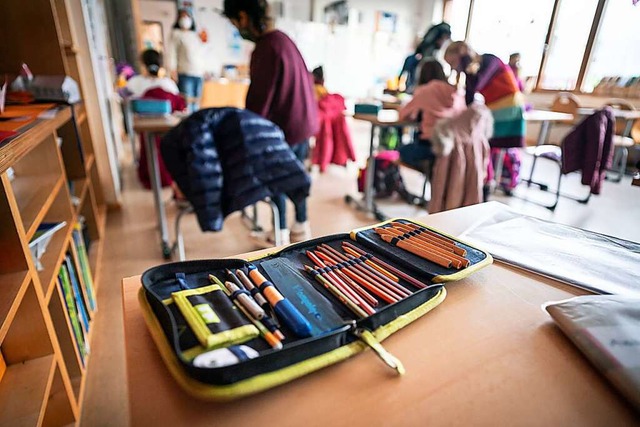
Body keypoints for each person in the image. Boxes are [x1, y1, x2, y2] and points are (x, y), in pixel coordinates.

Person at [222, 0, 319, 247]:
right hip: (302, 122)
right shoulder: (283, 40)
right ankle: (300, 227)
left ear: (244, 16)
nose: (237, 28)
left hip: (285, 127)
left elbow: (258, 102)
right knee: (296, 176)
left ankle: (280, 234)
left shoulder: (266, 47)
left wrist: (244, 134)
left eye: (235, 22)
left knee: (277, 178)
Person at [444, 41, 525, 194]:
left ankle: (487, 182)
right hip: (495, 107)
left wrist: (465, 64)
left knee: (484, 144)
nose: (454, 68)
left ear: (461, 55)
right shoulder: (472, 69)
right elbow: (469, 98)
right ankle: (486, 181)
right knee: (481, 143)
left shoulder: (490, 60)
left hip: (508, 107)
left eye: (454, 62)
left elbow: (477, 85)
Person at [397, 60, 466, 170]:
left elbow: (403, 115)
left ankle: (430, 170)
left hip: (432, 147)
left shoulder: (425, 90)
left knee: (402, 150)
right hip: (455, 148)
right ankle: (435, 172)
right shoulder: (456, 92)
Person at [166, 9, 205, 112]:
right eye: (182, 17)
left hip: (198, 73)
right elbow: (171, 53)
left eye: (187, 17)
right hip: (185, 73)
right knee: (186, 104)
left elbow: (202, 53)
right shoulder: (176, 34)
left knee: (196, 104)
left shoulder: (195, 35)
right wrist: (172, 70)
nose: (185, 19)